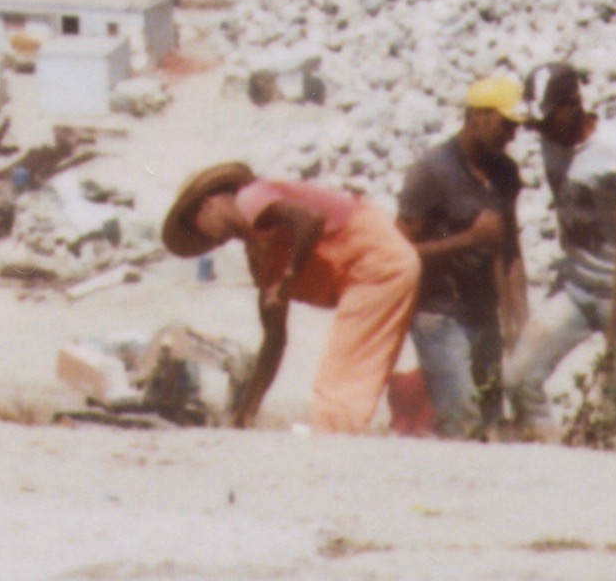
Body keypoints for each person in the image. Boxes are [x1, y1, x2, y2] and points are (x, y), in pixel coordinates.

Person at [162, 161, 422, 435]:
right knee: (357, 368)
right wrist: (247, 410)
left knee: (341, 379)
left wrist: (287, 277)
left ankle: (337, 444)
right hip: (376, 270)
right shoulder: (260, 252)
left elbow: (310, 218)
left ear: (207, 205)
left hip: (377, 264)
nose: (213, 242)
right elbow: (274, 338)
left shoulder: (251, 198)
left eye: (201, 231)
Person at [505, 60, 616, 435]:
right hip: (576, 286)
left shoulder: (612, 148)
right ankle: (549, 454)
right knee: (518, 378)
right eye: (536, 123)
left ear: (573, 104)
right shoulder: (549, 139)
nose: (541, 130)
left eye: (547, 119)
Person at [394, 74, 531, 439]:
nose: (511, 136)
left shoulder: (505, 172)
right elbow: (398, 255)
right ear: (478, 116)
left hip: (484, 314)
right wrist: (469, 240)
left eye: (516, 128)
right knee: (464, 424)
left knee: (491, 420)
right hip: (438, 315)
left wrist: (522, 321)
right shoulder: (432, 171)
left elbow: (510, 248)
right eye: (506, 125)